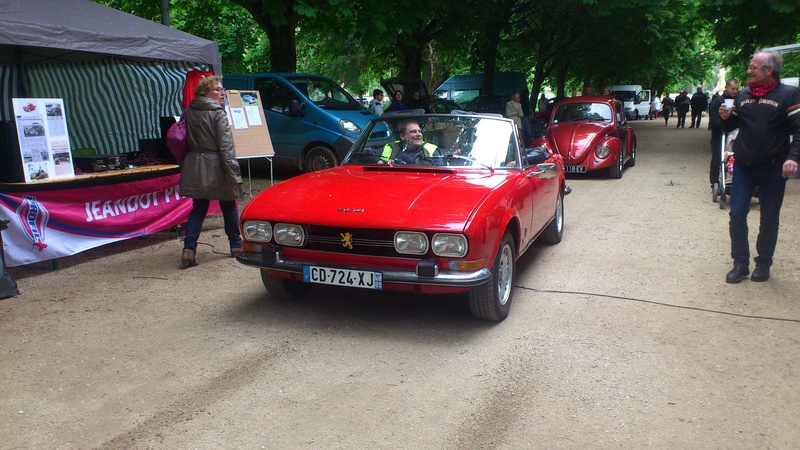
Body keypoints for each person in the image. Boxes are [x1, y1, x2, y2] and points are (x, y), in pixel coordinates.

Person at [719, 50, 800, 283]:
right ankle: (740, 264)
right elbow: (732, 126)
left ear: (769, 70)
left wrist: (793, 157)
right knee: (737, 212)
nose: (748, 71)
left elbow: (798, 129)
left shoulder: (789, 94)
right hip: (744, 165)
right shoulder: (743, 95)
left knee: (769, 217)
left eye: (754, 67)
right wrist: (726, 117)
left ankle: (763, 264)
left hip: (775, 168)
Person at [179, 75, 244, 268]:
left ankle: (188, 250)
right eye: (217, 89)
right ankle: (236, 246)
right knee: (229, 206)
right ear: (205, 92)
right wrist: (235, 176)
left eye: (222, 89)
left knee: (199, 208)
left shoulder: (189, 110)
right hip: (217, 166)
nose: (222, 92)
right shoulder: (217, 113)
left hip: (196, 163)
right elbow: (226, 147)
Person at [707, 78, 739, 188]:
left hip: (736, 135)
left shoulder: (739, 100)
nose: (735, 91)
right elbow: (714, 120)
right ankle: (714, 181)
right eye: (732, 88)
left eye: (736, 89)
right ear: (726, 87)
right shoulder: (717, 102)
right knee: (717, 158)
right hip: (719, 135)